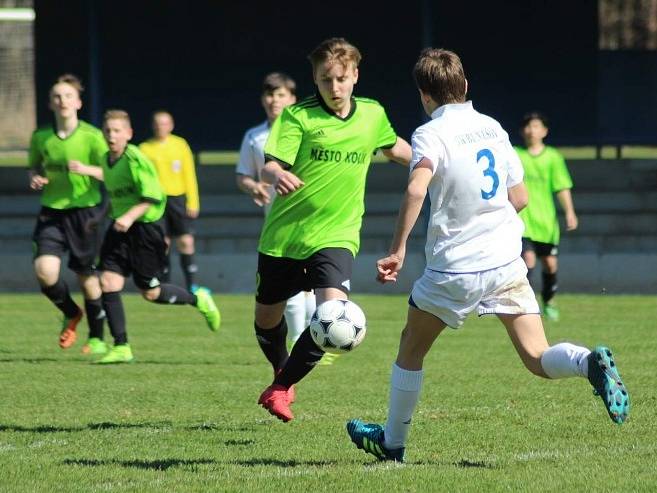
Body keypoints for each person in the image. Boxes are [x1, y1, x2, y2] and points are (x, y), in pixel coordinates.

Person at [345, 48, 629, 463]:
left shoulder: (430, 133)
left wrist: (397, 249)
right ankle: (589, 364)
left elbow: (415, 189)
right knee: (536, 356)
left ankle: (392, 442)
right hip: (506, 262)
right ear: (465, 86)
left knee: (410, 348)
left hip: (454, 268)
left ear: (425, 96)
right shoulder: (492, 127)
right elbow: (520, 196)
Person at [255, 37, 412, 422]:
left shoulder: (372, 115)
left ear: (355, 75)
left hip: (336, 236)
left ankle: (280, 388)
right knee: (265, 322)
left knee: (335, 315)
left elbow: (396, 150)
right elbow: (269, 164)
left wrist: (437, 164)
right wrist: (278, 174)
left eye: (341, 78)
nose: (335, 87)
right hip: (284, 237)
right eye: (326, 80)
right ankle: (282, 371)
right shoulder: (298, 117)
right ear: (315, 79)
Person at [68, 109, 221, 363]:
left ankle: (198, 299)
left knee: (150, 292)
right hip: (119, 231)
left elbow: (151, 197)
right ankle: (121, 345)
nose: (112, 136)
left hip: (146, 232)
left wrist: (129, 217)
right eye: (108, 131)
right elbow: (115, 192)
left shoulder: (135, 159)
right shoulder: (108, 159)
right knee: (108, 282)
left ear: (128, 133)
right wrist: (99, 217)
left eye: (117, 131)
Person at [235, 72, 317, 353]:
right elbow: (243, 175)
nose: (274, 100)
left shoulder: (306, 129)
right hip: (277, 219)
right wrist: (253, 187)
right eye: (270, 95)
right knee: (291, 283)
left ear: (292, 99)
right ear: (263, 100)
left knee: (309, 284)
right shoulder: (254, 136)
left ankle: (310, 338)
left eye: (281, 95)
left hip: (311, 215)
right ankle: (300, 341)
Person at [28, 73, 108, 355]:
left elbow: (110, 173)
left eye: (68, 96)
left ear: (78, 102)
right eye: (57, 97)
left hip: (85, 213)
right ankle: (72, 312)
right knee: (45, 272)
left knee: (86, 277)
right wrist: (35, 177)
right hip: (52, 212)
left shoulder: (92, 136)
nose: (62, 101)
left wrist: (88, 170)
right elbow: (34, 167)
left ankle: (97, 337)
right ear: (50, 104)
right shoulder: (41, 137)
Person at [515, 112, 578, 322]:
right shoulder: (515, 155)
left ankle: (549, 301)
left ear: (544, 131)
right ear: (522, 131)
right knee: (528, 260)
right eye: (527, 126)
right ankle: (528, 306)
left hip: (546, 223)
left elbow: (562, 187)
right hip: (523, 222)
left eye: (535, 126)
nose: (531, 130)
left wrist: (569, 212)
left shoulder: (553, 157)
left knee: (550, 264)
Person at [139, 110, 201, 292]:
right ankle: (164, 284)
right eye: (158, 123)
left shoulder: (180, 145)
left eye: (165, 123)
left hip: (178, 199)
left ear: (171, 125)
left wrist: (193, 201)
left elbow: (189, 173)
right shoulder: (145, 148)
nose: (161, 127)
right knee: (162, 243)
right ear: (153, 126)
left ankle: (192, 285)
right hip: (156, 200)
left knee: (186, 241)